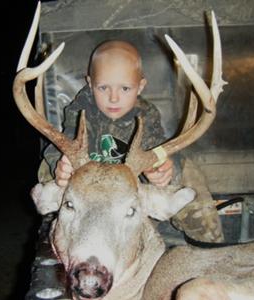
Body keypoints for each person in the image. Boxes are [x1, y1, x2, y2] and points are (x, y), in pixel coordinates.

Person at [38, 40, 224, 243]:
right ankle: (60, 235)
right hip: (92, 193)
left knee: (186, 172)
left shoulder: (146, 115)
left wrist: (164, 168)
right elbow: (63, 143)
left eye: (125, 88)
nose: (114, 98)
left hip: (130, 196)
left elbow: (158, 149)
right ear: (90, 84)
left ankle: (208, 244)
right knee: (47, 168)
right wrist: (62, 166)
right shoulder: (80, 111)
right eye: (103, 88)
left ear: (140, 86)